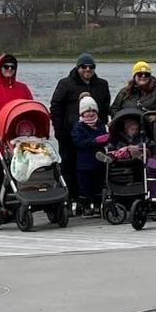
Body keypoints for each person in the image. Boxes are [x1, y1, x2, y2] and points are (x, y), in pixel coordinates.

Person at [50, 53, 111, 206]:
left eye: (91, 67)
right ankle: (70, 199)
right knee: (69, 167)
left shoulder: (102, 84)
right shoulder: (65, 84)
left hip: (95, 134)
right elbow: (55, 108)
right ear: (77, 68)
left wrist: (103, 128)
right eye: (84, 67)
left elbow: (104, 108)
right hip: (69, 134)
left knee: (96, 167)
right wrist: (59, 131)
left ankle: (94, 201)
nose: (87, 70)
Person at [0, 54, 33, 207]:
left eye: (12, 67)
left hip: (17, 135)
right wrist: (6, 113)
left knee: (18, 172)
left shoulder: (22, 88)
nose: (9, 69)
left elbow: (29, 106)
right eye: (6, 67)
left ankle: (14, 201)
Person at [110, 61, 156, 150]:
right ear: (134, 76)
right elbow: (114, 109)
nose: (143, 76)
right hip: (127, 135)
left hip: (153, 133)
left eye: (146, 74)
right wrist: (123, 120)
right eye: (140, 74)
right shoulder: (124, 92)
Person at [71, 96, 109, 215]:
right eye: (87, 111)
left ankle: (98, 206)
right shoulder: (78, 126)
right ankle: (86, 207)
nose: (90, 113)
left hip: (99, 162)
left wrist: (106, 139)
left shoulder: (101, 125)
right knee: (84, 187)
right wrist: (95, 141)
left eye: (93, 111)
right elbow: (78, 142)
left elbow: (106, 139)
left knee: (99, 185)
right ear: (82, 113)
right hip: (84, 163)